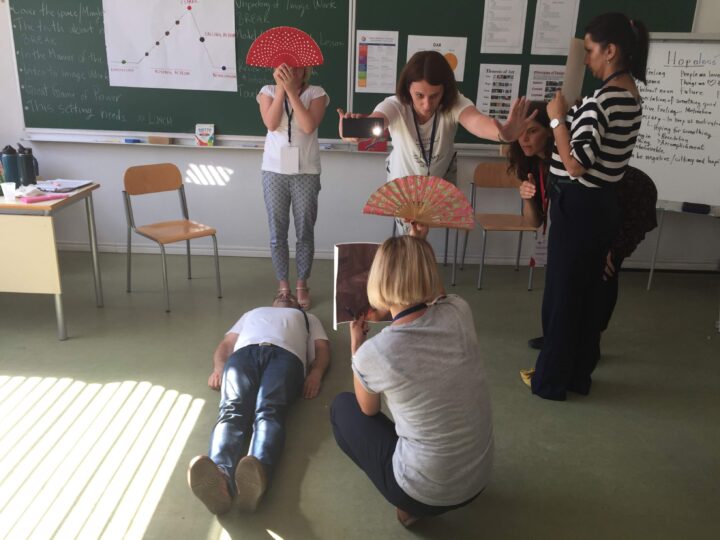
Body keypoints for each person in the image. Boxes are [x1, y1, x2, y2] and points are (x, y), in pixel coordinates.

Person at [521, 12, 649, 400]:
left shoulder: (607, 98)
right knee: (584, 294)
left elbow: (576, 163)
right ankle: (575, 375)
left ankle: (549, 381)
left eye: (591, 51)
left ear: (611, 51)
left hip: (579, 205)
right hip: (599, 205)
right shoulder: (629, 93)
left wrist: (558, 119)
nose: (588, 59)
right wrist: (573, 115)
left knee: (563, 295)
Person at [330, 235, 493, 528]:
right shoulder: (459, 311)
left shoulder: (376, 352)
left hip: (424, 492)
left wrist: (356, 346)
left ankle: (407, 505)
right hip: (479, 478)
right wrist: (420, 243)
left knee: (342, 408)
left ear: (377, 281)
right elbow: (439, 296)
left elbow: (367, 410)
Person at [339, 50, 535, 235]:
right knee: (408, 240)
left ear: (445, 91)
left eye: (434, 96)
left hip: (438, 183)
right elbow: (376, 122)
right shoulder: (395, 105)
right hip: (403, 183)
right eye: (419, 96)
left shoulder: (454, 103)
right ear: (408, 89)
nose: (427, 104)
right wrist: (353, 131)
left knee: (421, 237)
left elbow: (475, 121)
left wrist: (503, 135)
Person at [188, 292, 330, 514]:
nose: (285, 294)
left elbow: (322, 349)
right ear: (272, 301)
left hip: (286, 358)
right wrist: (219, 367)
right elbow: (227, 343)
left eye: (290, 295)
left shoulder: (308, 318)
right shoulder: (251, 313)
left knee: (268, 410)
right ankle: (220, 481)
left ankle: (256, 475)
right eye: (281, 293)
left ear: (297, 305)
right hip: (243, 355)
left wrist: (316, 373)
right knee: (231, 410)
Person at [258, 63, 329, 309]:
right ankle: (283, 287)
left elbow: (308, 126)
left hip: (306, 172)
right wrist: (281, 90)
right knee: (277, 232)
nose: (292, 72)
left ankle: (301, 283)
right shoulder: (267, 91)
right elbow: (270, 123)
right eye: (285, 68)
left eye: (297, 68)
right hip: (273, 171)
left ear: (305, 70)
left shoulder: (316, 93)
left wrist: (291, 92)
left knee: (304, 230)